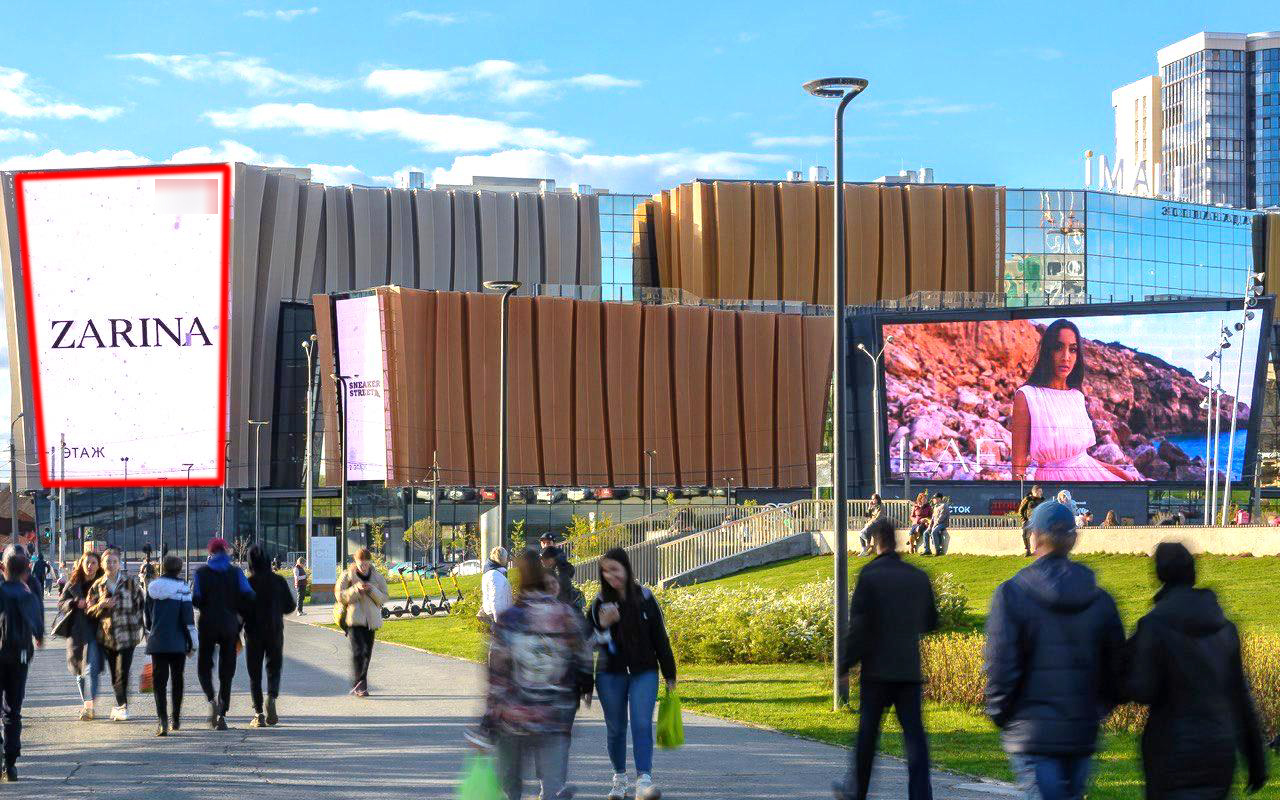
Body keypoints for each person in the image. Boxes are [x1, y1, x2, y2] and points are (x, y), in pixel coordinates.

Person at [983, 500, 1125, 800]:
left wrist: (1000, 712)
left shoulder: (1011, 594)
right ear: (1073, 539)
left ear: (1033, 537)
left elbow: (1001, 664)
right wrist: (1098, 710)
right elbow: (1116, 668)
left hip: (1032, 732)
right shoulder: (1100, 600)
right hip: (1080, 731)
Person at [1125, 542, 1266, 799]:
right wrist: (1256, 758)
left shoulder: (1153, 626)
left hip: (1170, 750)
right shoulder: (1224, 628)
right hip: (1218, 748)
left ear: (1159, 575)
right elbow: (1239, 697)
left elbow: (1143, 689)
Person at [834, 518, 938, 800]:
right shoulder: (917, 576)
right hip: (908, 670)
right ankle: (921, 795)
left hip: (876, 671)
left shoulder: (869, 576)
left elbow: (858, 627)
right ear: (896, 541)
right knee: (915, 738)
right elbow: (930, 622)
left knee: (867, 737)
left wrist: (845, 664)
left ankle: (857, 793)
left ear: (875, 542)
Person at [480, 549, 593, 800]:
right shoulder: (563, 614)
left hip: (514, 714)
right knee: (551, 784)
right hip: (554, 713)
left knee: (511, 783)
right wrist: (584, 684)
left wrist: (489, 717)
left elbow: (497, 675)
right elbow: (583, 654)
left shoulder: (510, 619)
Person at [589, 547, 677, 800]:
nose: (610, 576)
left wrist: (670, 673)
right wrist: (603, 626)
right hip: (610, 674)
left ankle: (644, 781)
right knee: (616, 728)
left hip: (644, 671)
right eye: (605, 572)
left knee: (641, 724)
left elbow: (660, 637)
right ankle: (619, 779)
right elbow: (587, 642)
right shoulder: (599, 602)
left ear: (626, 568)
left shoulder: (645, 597)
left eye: (614, 570)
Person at [1010, 319, 1138, 482]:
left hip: (1090, 478)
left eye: (1073, 349)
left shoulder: (1076, 396)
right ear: (1047, 351)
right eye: (1058, 348)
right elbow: (1018, 466)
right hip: (1054, 488)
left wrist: (1120, 472)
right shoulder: (1027, 396)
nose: (1066, 357)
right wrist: (1020, 497)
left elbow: (1081, 459)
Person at [193, 537, 254, 730]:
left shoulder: (201, 573)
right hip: (230, 625)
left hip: (207, 624)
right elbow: (248, 595)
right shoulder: (236, 572)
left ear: (210, 552)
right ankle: (222, 713)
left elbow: (196, 599)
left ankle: (211, 698)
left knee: (204, 666)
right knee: (227, 671)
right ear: (227, 551)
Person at [86, 547, 145, 722]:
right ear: (102, 564)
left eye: (114, 561)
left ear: (119, 564)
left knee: (122, 672)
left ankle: (123, 706)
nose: (111, 564)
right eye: (108, 561)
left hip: (128, 635)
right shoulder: (97, 585)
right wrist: (101, 605)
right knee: (114, 674)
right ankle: (121, 705)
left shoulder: (130, 582)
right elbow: (89, 609)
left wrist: (139, 624)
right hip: (108, 636)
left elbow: (141, 604)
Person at [0, 548, 43, 782]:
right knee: (13, 709)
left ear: (3, 568)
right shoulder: (28, 595)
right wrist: (38, 636)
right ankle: (11, 762)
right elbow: (37, 624)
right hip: (21, 655)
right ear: (26, 571)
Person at [243, 544, 296, 728]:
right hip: (274, 631)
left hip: (253, 633)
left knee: (254, 673)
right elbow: (290, 606)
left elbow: (240, 610)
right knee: (274, 667)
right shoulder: (279, 581)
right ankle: (272, 696)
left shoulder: (248, 583)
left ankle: (258, 713)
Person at [144, 554, 194, 736]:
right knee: (177, 679)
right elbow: (188, 617)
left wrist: (153, 629)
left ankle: (162, 721)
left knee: (159, 683)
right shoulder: (183, 588)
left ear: (162, 568)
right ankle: (176, 718)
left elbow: (147, 618)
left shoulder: (152, 588)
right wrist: (191, 642)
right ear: (179, 569)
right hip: (178, 641)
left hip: (157, 641)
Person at [58, 552, 105, 720]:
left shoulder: (103, 583)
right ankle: (87, 704)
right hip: (77, 632)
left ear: (99, 565)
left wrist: (99, 603)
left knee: (91, 668)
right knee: (79, 673)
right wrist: (74, 603)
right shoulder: (73, 583)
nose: (90, 566)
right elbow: (61, 604)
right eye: (87, 562)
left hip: (97, 630)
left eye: (93, 563)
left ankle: (88, 707)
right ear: (81, 564)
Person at [336, 548, 388, 697]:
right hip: (353, 620)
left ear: (370, 562)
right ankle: (360, 685)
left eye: (366, 564)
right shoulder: (347, 575)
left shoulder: (377, 577)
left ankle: (360, 682)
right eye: (361, 564)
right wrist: (355, 590)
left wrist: (372, 590)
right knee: (358, 651)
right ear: (355, 562)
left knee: (367, 653)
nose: (363, 567)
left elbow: (384, 597)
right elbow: (339, 596)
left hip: (371, 620)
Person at [479, 546, 513, 629]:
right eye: (506, 557)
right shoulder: (495, 575)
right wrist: (498, 621)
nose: (507, 559)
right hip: (498, 614)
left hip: (496, 613)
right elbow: (495, 599)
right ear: (502, 558)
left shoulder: (491, 572)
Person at [1018, 486, 1045, 556]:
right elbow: (1021, 510)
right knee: (1025, 535)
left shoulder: (1043, 500)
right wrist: (1024, 519)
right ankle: (1028, 550)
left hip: (1039, 520)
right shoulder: (1028, 499)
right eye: (1039, 491)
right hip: (1029, 520)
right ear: (1034, 492)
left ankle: (1037, 550)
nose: (1041, 493)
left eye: (1041, 491)